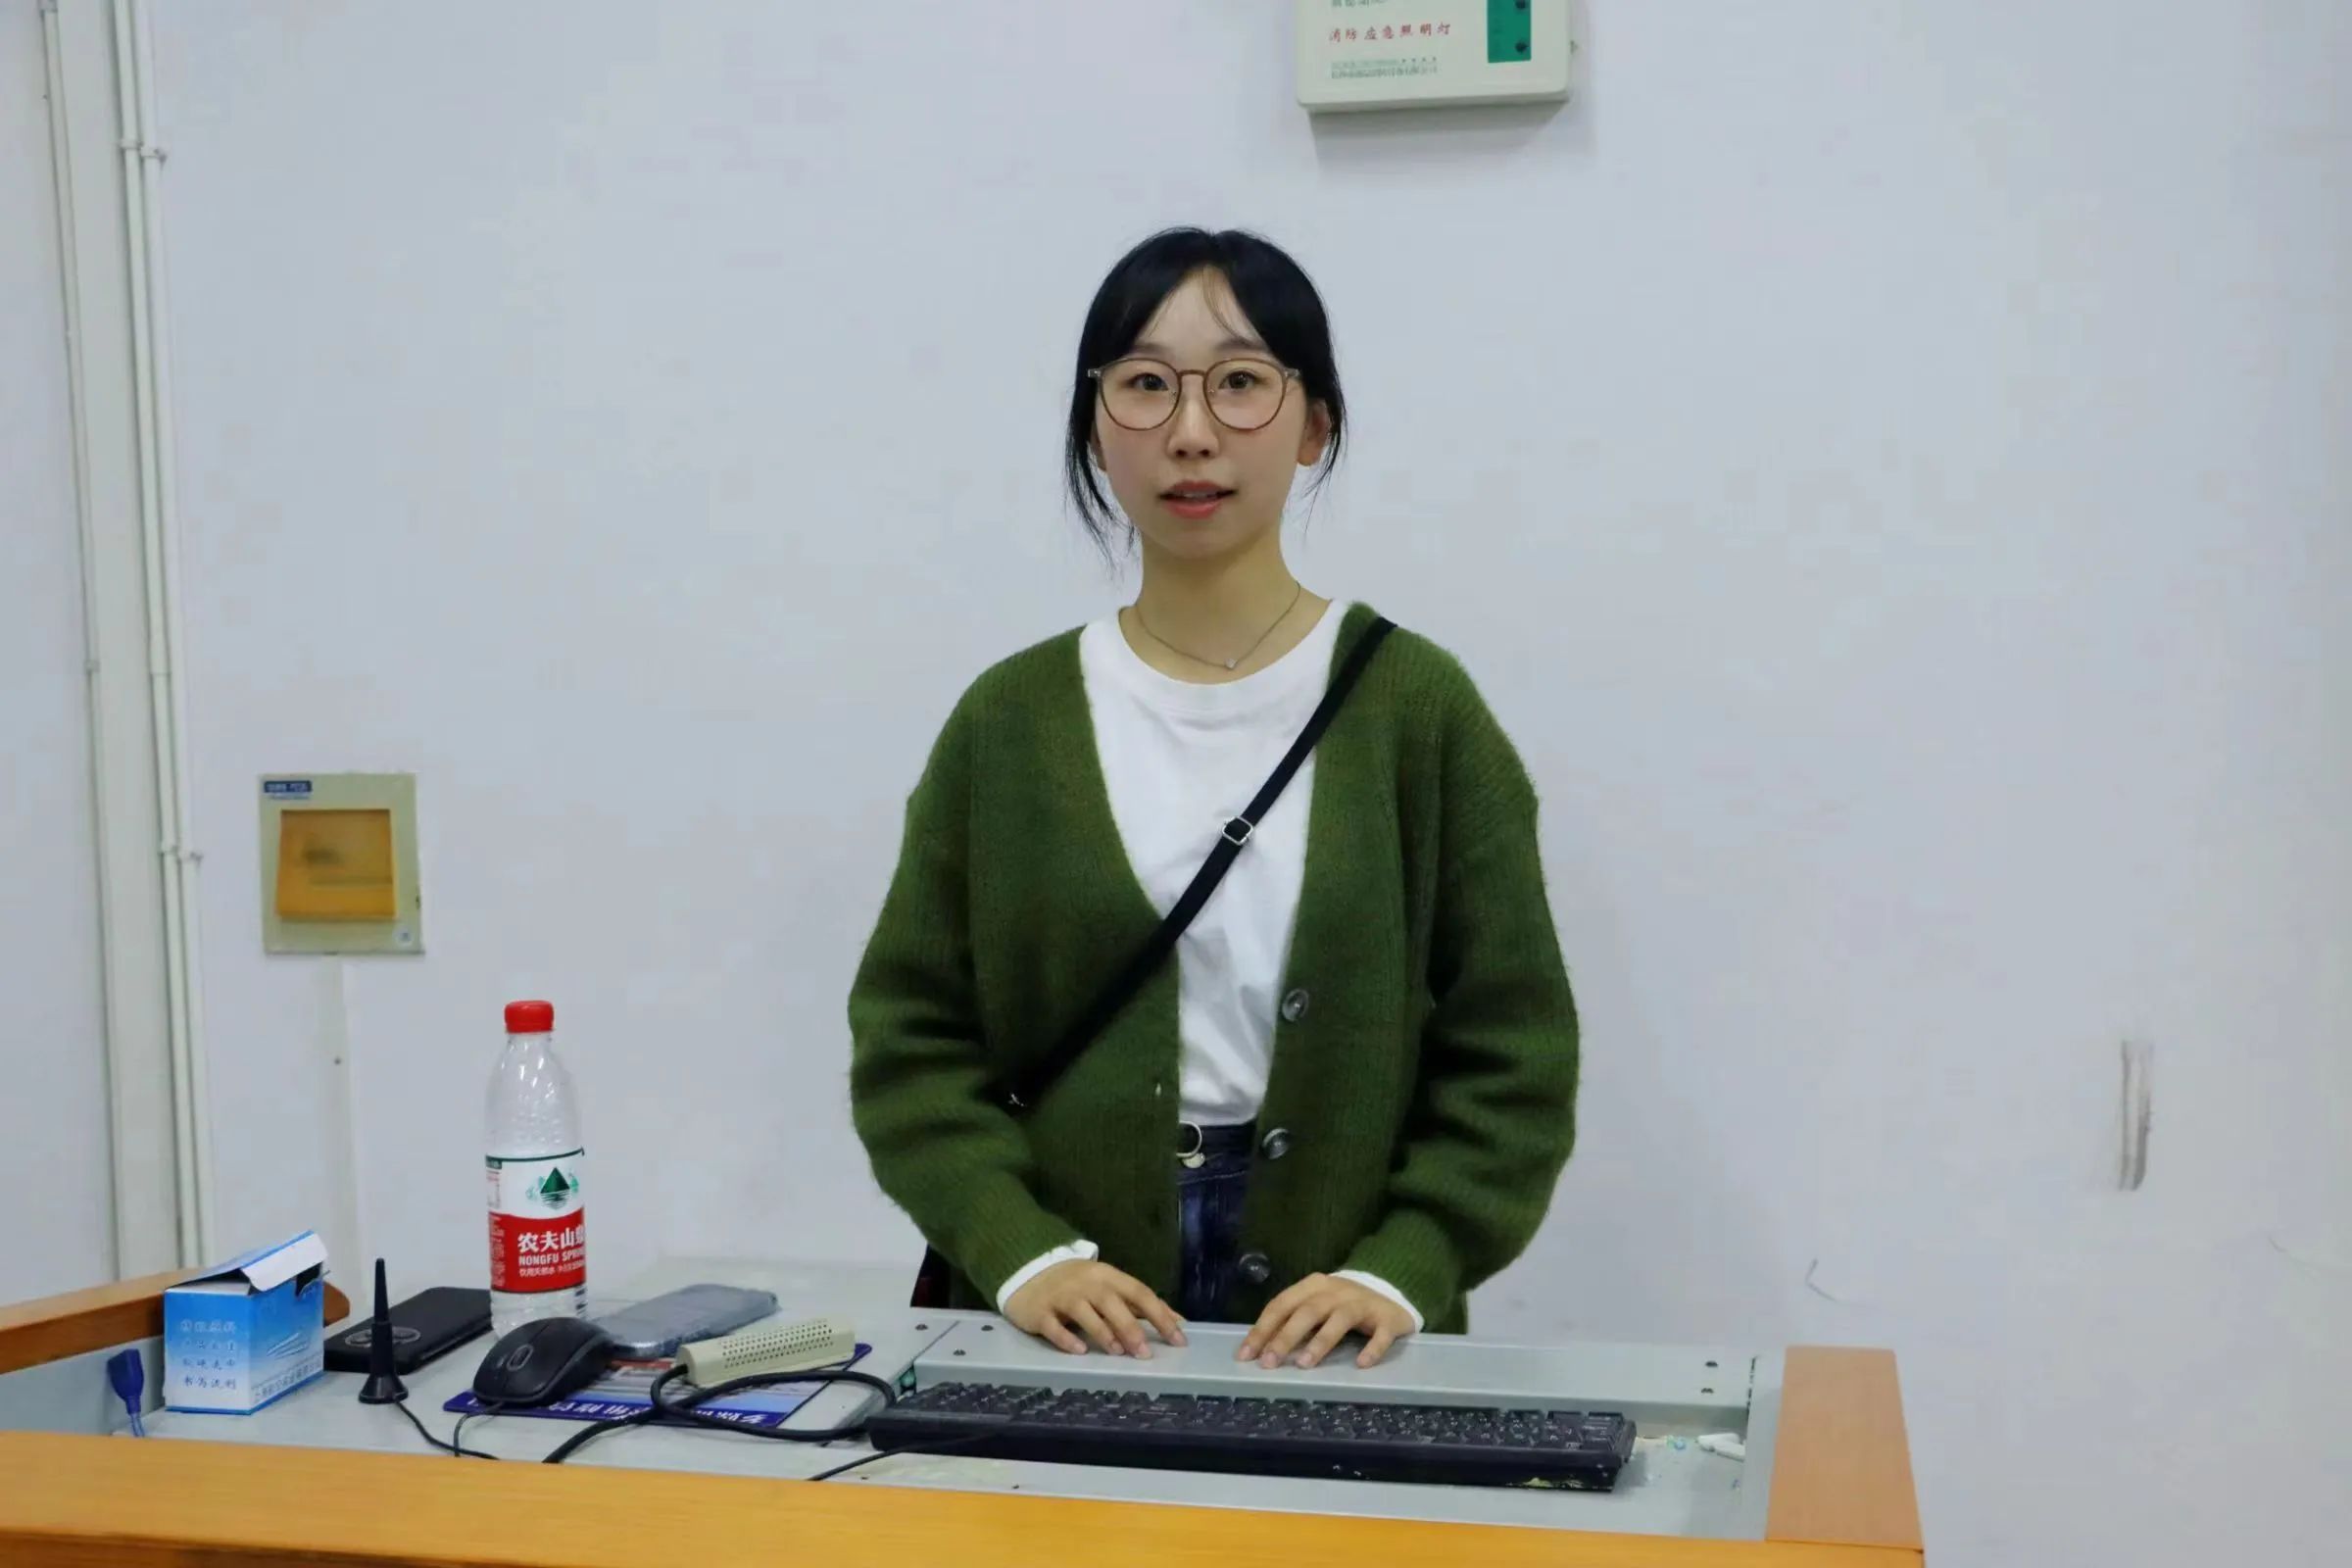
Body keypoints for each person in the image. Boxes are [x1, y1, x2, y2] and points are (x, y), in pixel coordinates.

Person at [849, 227, 1577, 1372]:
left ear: (1315, 424)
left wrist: (1406, 1264)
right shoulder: (1008, 721)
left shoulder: (1416, 709)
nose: (1191, 431)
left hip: (1336, 1314)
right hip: (1070, 1311)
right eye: (1145, 385)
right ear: (1095, 428)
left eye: (1240, 382)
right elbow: (912, 1045)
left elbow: (1513, 1050)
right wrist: (1021, 1253)